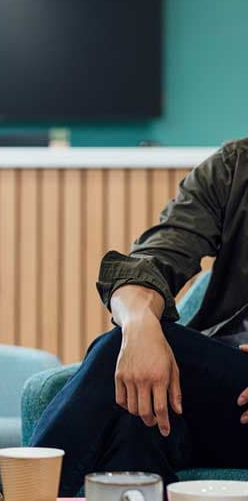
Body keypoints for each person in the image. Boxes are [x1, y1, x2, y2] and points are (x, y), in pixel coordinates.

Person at [30, 138, 248, 494]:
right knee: (135, 417)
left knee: (131, 361)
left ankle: (28, 492)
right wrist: (138, 325)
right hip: (221, 397)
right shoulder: (235, 166)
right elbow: (151, 261)